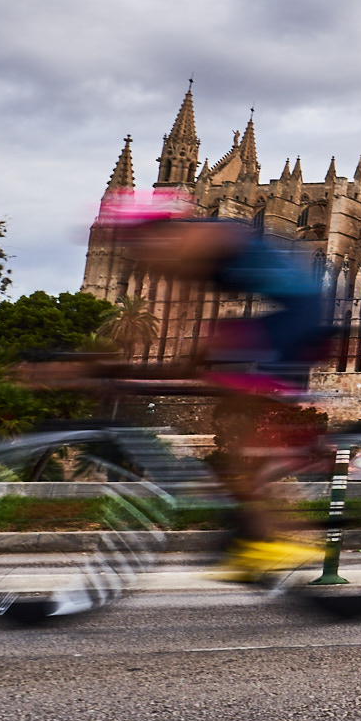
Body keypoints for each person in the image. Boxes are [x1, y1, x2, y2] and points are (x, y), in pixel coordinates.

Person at [80, 188, 337, 583]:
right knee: (231, 410)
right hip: (280, 311)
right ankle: (258, 530)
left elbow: (192, 322)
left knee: (242, 414)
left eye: (133, 240)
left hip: (300, 310)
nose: (130, 251)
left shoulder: (199, 239)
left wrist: (184, 362)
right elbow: (186, 321)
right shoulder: (181, 261)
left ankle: (283, 532)